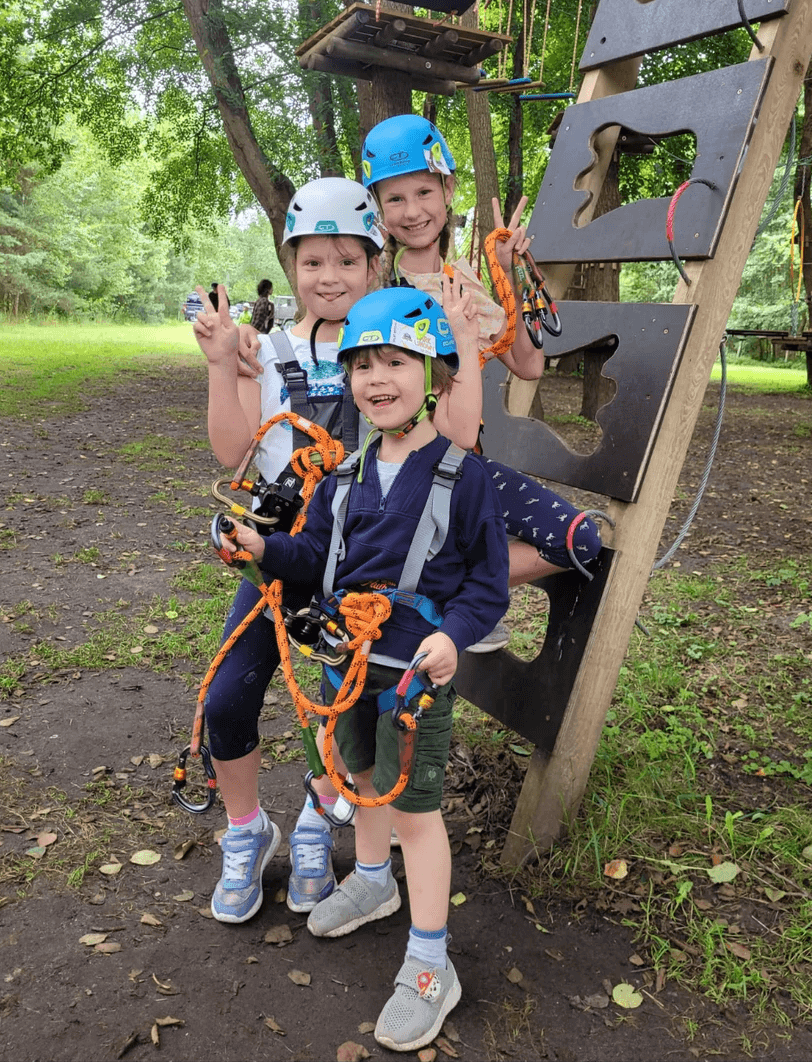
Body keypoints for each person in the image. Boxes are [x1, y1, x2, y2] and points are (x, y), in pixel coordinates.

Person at [219, 286, 509, 1052]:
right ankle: (373, 880)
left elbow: (486, 582)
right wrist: (260, 548)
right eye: (363, 365)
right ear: (346, 378)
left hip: (414, 676)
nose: (378, 379)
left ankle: (428, 962)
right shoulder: (342, 478)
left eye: (396, 362)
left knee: (415, 811)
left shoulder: (462, 475)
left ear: (433, 374)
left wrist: (458, 637)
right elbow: (312, 561)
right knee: (358, 780)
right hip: (347, 664)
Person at [191, 178, 481, 926]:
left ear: (374, 265)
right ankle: (248, 831)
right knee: (227, 697)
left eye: (347, 262)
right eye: (312, 262)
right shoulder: (274, 349)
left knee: (342, 709)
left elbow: (454, 440)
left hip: (363, 574)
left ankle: (324, 814)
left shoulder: (396, 346)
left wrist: (467, 344)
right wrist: (225, 364)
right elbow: (235, 452)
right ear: (290, 267)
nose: (329, 278)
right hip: (289, 552)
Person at [362, 114, 602, 593]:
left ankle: (441, 581)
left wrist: (504, 271)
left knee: (577, 540)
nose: (412, 211)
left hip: (464, 462)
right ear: (377, 207)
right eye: (395, 198)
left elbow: (529, 365)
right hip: (406, 467)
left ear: (448, 190)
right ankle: (430, 579)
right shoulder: (375, 286)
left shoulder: (463, 282)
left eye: (424, 193)